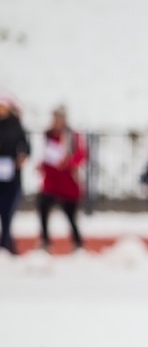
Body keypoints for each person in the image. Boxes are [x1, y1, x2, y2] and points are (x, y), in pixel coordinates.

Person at [37, 107, 88, 253]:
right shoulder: (48, 134)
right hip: (51, 181)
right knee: (43, 206)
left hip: (68, 181)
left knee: (70, 214)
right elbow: (46, 154)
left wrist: (69, 162)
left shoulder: (72, 136)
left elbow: (81, 155)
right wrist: (42, 165)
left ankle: (77, 243)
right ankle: (45, 241)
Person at [0, 94, 29, 256]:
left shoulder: (16, 125)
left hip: (11, 176)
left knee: (7, 211)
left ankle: (6, 244)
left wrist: (22, 156)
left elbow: (25, 146)